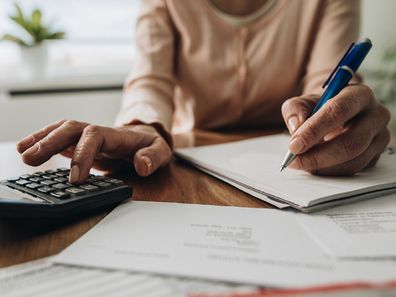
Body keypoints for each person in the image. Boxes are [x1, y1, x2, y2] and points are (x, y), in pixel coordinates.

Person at [17, 0, 391, 184]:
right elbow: (151, 78)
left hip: (289, 159)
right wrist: (143, 126)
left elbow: (324, 85)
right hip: (191, 162)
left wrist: (340, 117)